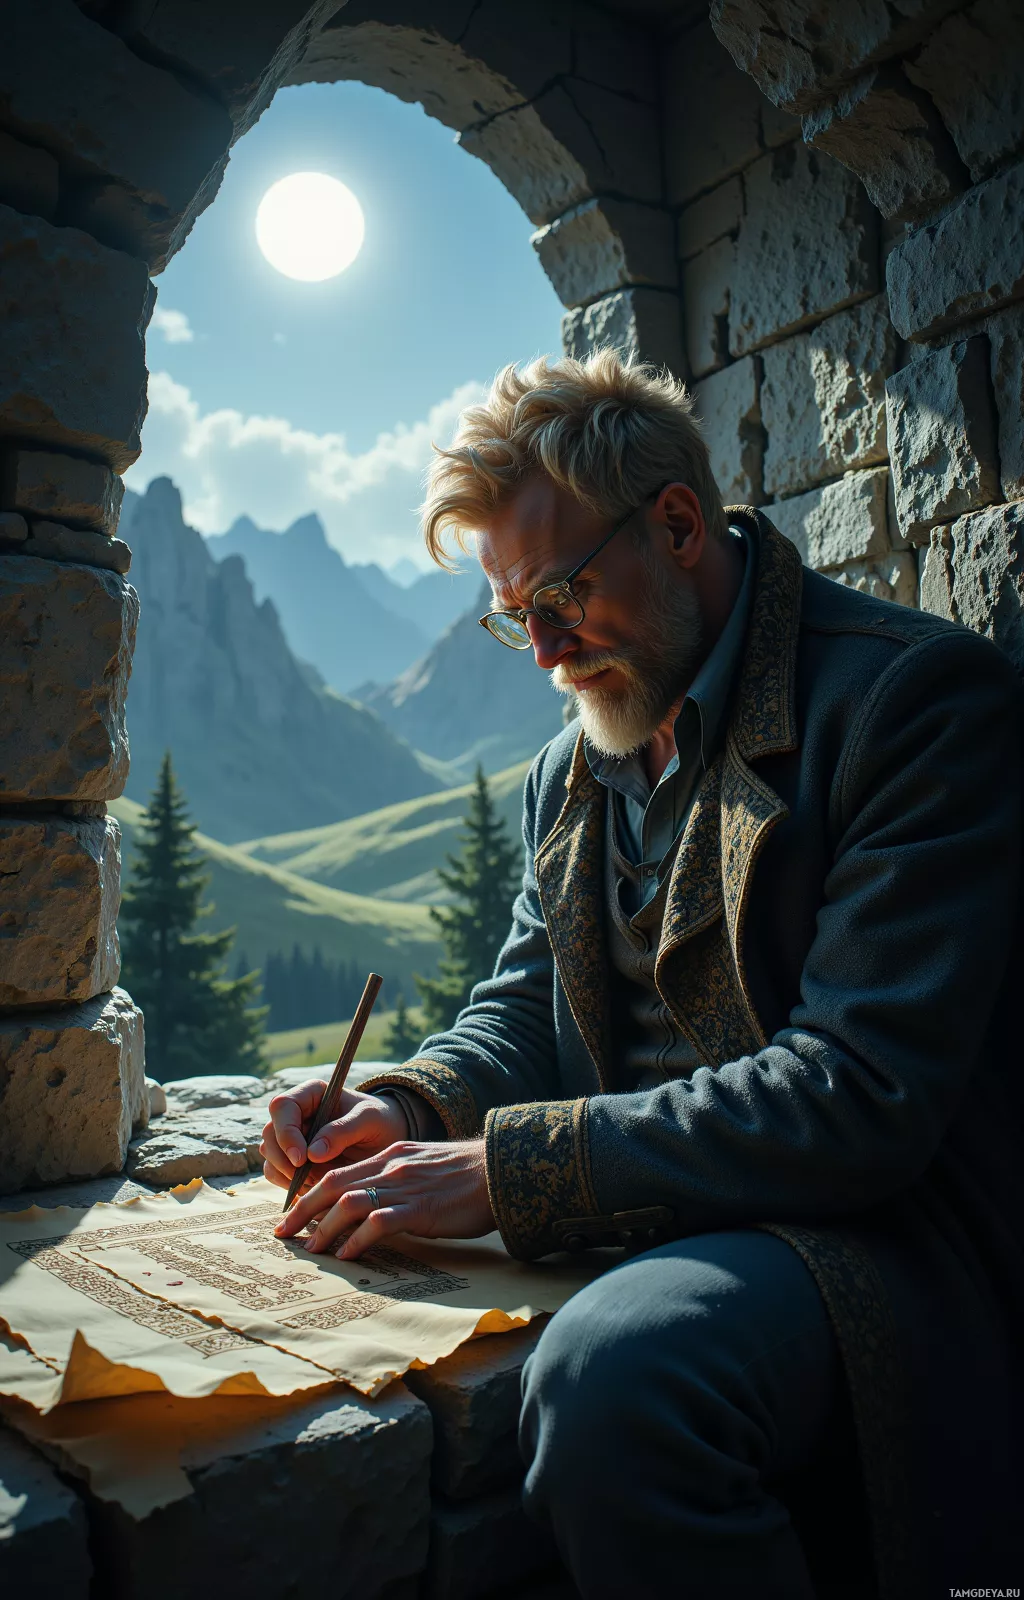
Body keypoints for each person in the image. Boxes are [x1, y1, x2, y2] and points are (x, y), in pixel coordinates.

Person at [262, 351, 1023, 1598]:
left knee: (615, 1374)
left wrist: (505, 1170)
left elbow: (857, 1093)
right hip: (672, 1221)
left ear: (676, 524)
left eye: (561, 593)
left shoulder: (911, 706)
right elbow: (523, 1005)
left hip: (875, 1242)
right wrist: (404, 1108)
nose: (546, 652)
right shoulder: (567, 771)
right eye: (517, 614)